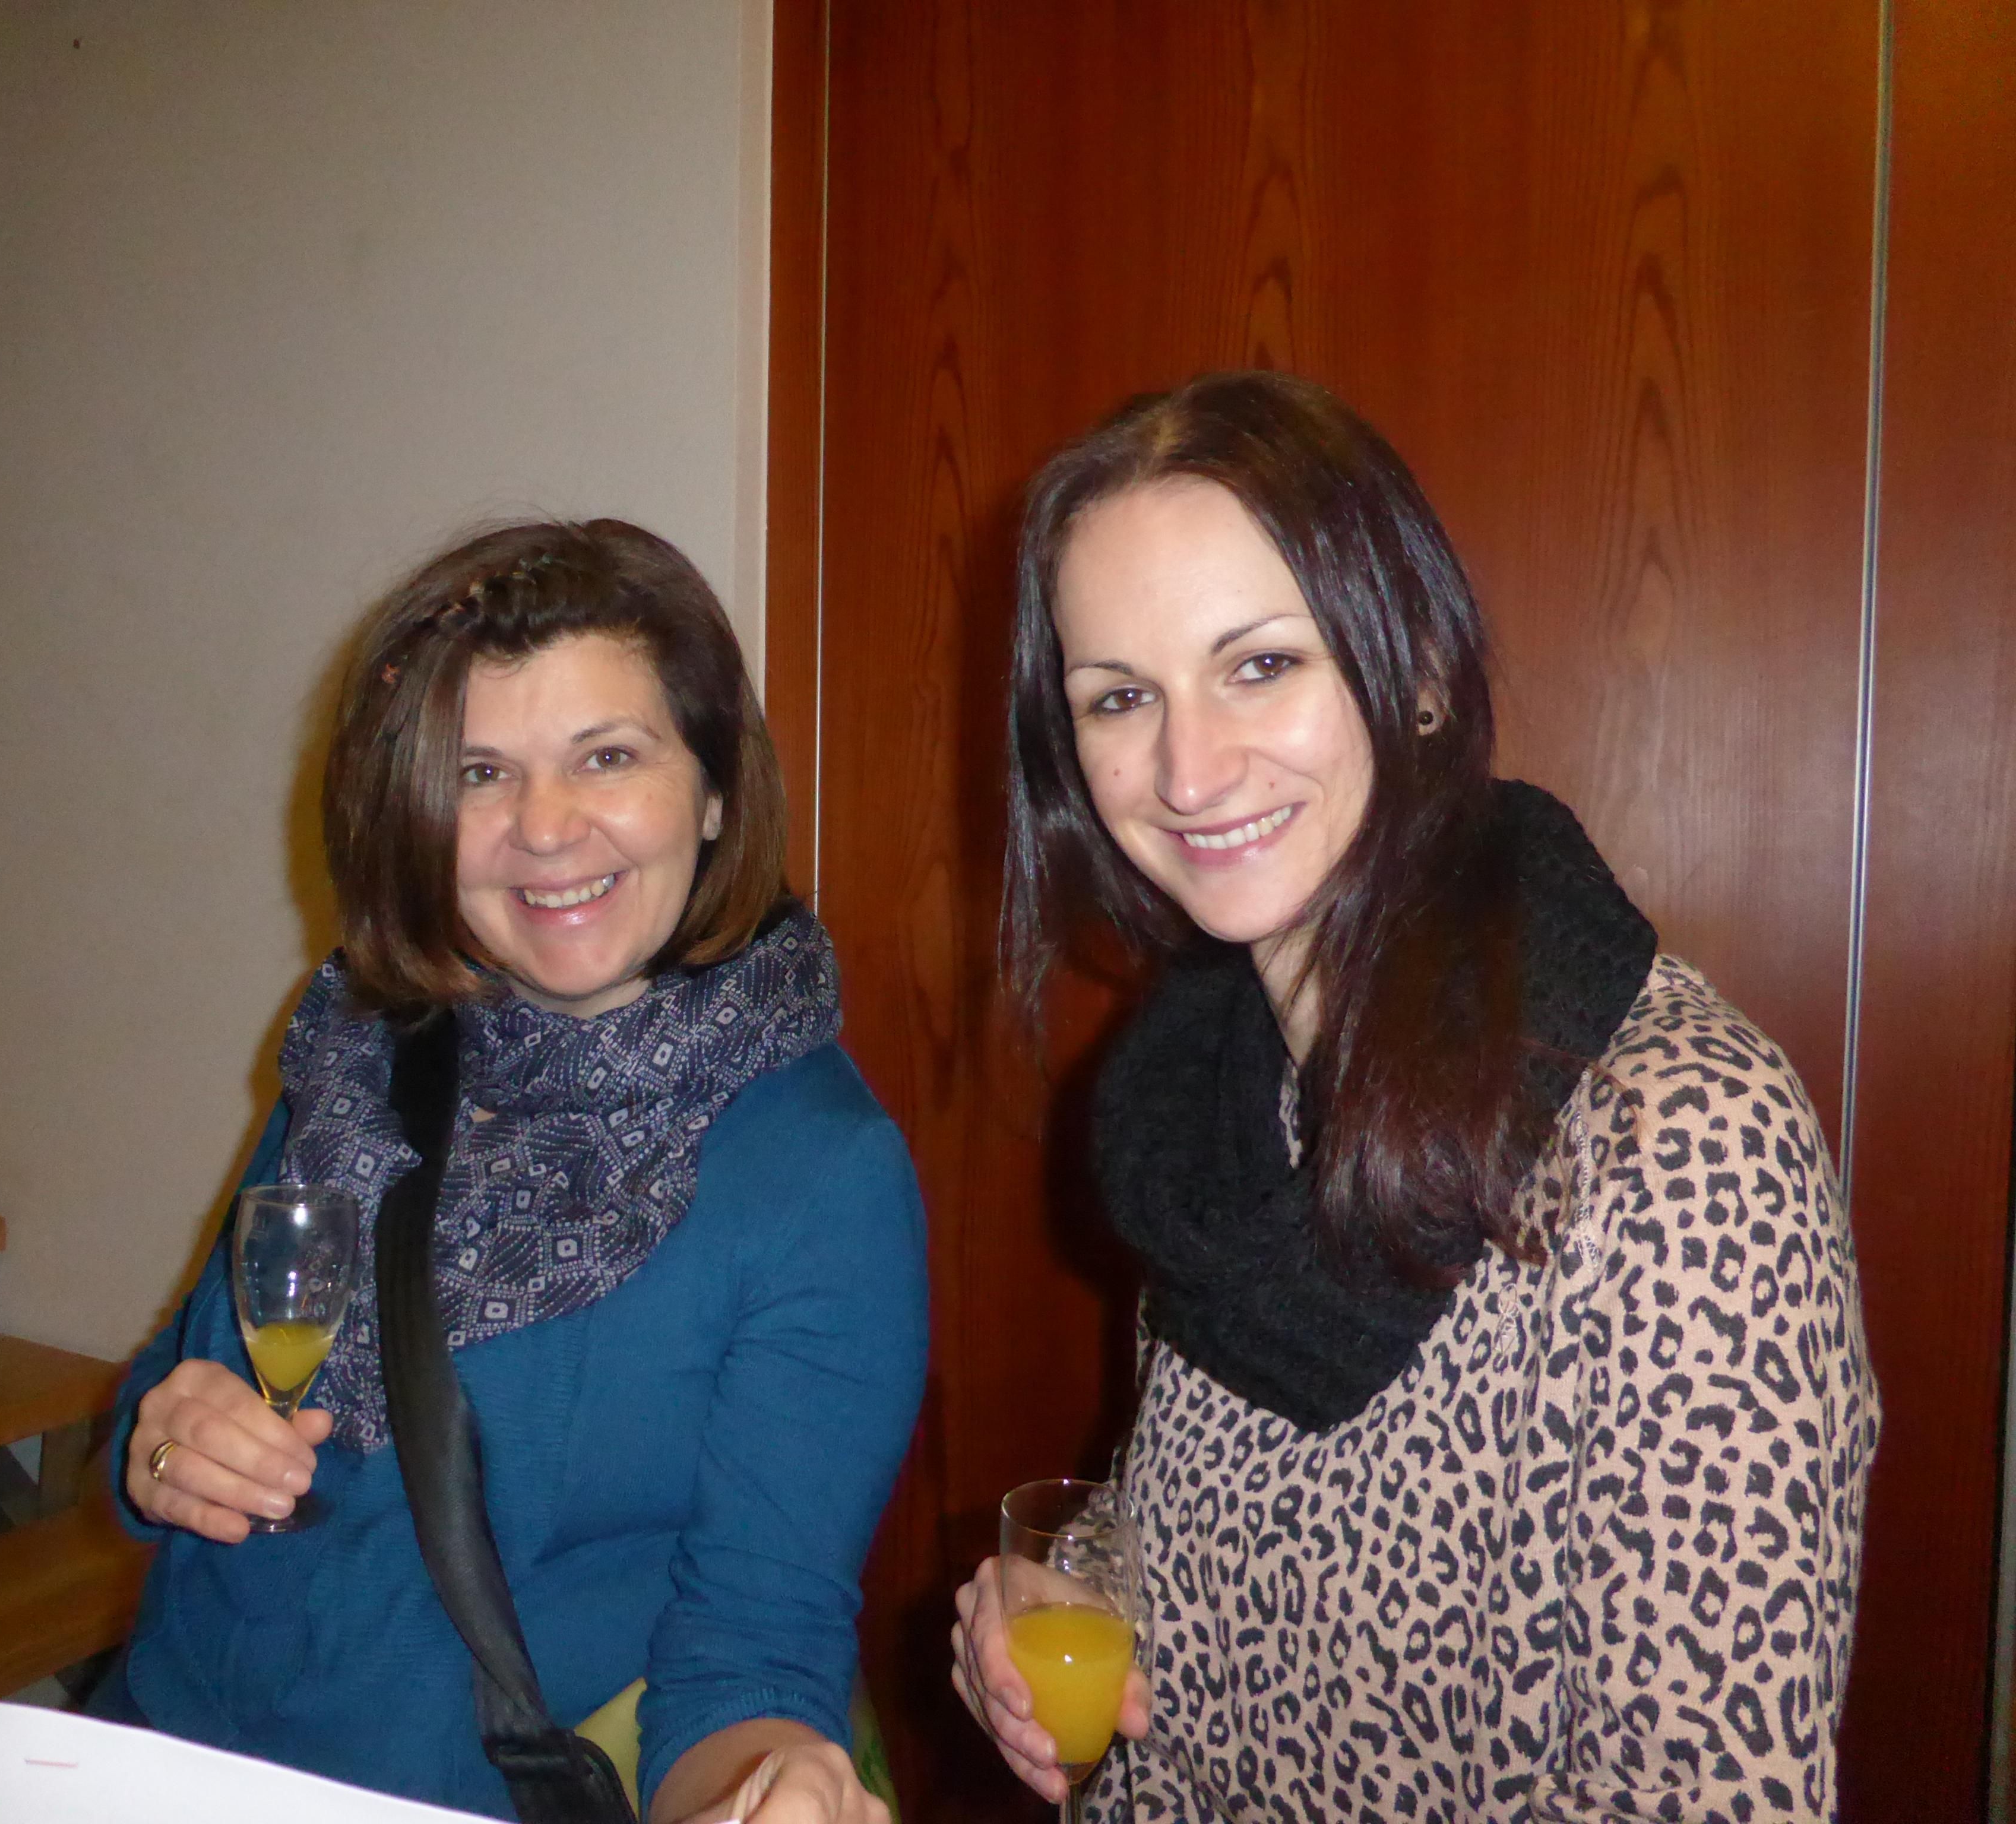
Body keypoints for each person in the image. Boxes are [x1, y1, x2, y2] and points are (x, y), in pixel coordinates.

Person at [950, 372, 1880, 1822]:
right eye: (1120, 698)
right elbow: (1238, 1532)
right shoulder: (1208, 1105)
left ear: (1423, 673)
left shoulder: (1679, 1144)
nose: (1187, 769)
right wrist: (1060, 1593)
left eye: (1261, 665)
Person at [106, 518, 926, 1824]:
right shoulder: (358, 1056)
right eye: (480, 773)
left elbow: (752, 1654)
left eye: (608, 756)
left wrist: (767, 1787)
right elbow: (187, 1366)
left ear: (715, 791)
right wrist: (159, 1448)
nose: (544, 827)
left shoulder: (819, 1175)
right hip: (152, 1750)